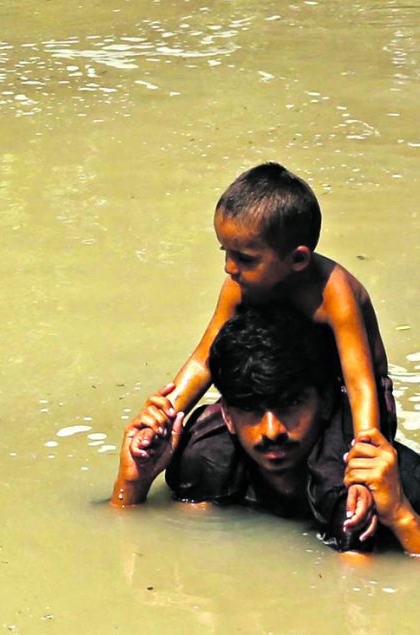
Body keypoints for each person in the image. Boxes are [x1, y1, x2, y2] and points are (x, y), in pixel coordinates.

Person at [138, 164, 400, 542]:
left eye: (244, 258)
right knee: (197, 448)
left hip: (344, 402)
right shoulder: (239, 286)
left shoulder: (334, 294)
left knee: (339, 488)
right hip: (274, 395)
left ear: (297, 260)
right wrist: (166, 413)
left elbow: (360, 383)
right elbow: (204, 359)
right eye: (225, 254)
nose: (230, 268)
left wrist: (365, 454)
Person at [111, 312, 420, 559]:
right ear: (228, 417)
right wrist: (134, 483)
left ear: (325, 403)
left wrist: (399, 514)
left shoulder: (391, 480)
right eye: (251, 409)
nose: (272, 430)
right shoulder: (207, 458)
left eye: (290, 404)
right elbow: (126, 542)